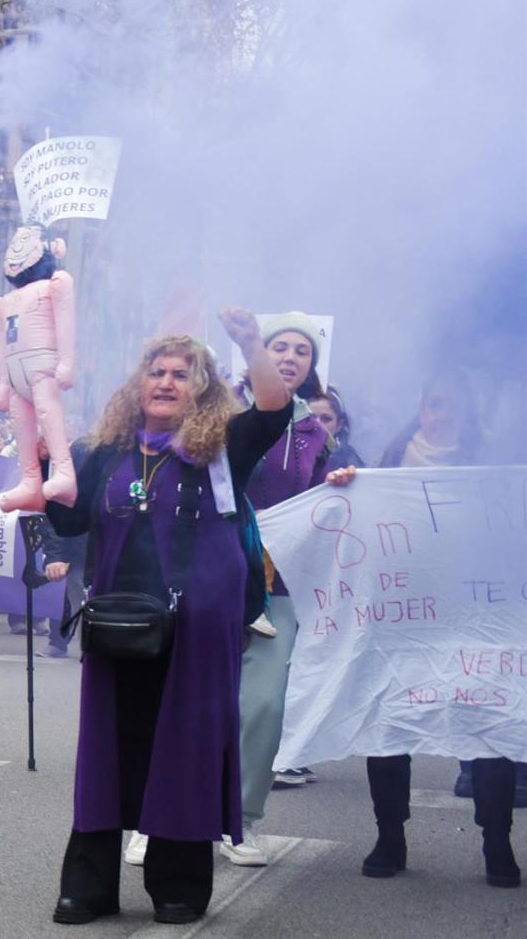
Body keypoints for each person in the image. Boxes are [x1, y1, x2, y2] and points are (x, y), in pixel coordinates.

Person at [44, 311, 291, 926]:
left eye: (182, 374)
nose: (166, 381)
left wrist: (252, 344)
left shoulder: (224, 445)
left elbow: (274, 408)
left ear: (202, 389)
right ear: (139, 383)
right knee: (108, 750)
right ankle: (90, 885)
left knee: (183, 750)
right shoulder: (103, 450)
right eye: (157, 371)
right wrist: (42, 466)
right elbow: (69, 520)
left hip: (198, 632)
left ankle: (178, 885)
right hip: (116, 625)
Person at [362, 373, 518, 888]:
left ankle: (497, 839)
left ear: (467, 412)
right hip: (405, 612)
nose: (441, 413)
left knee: (487, 727)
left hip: (476, 615)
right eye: (433, 403)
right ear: (421, 409)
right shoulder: (390, 461)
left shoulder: (494, 466)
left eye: (452, 404)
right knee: (390, 724)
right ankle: (390, 836)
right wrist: (346, 486)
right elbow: (362, 520)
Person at [226, 312, 333, 866]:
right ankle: (158, 819)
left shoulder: (317, 433)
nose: (290, 358)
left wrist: (338, 487)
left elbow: (319, 507)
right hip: (215, 572)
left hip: (278, 585)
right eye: (280, 347)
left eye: (302, 352)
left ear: (313, 367)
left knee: (264, 705)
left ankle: (242, 821)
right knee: (190, 698)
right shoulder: (220, 409)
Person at [307, 385, 364, 471]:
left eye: (326, 419)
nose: (317, 425)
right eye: (310, 418)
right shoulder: (288, 452)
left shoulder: (348, 460)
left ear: (339, 425)